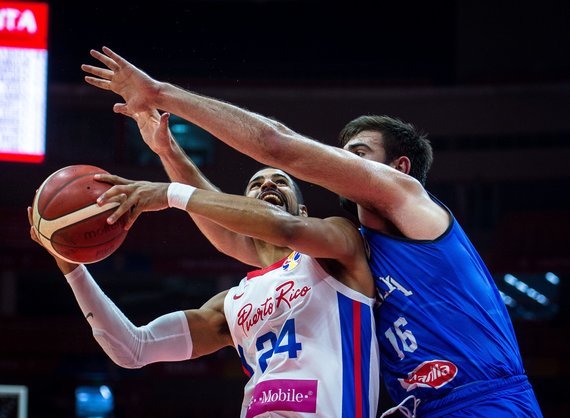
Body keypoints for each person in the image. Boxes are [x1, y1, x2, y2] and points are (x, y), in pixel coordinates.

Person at [81, 46, 543, 417]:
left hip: (482, 397)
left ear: (400, 167)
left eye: (356, 153)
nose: (340, 161)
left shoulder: (406, 202)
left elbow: (275, 150)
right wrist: (169, 153)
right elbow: (241, 237)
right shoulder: (348, 251)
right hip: (419, 406)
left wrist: (159, 94)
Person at [28, 165, 380, 417]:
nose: (267, 185)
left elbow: (283, 227)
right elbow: (133, 348)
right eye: (255, 184)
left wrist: (170, 193)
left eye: (279, 181)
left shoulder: (336, 250)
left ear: (303, 211)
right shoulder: (233, 303)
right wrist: (71, 266)